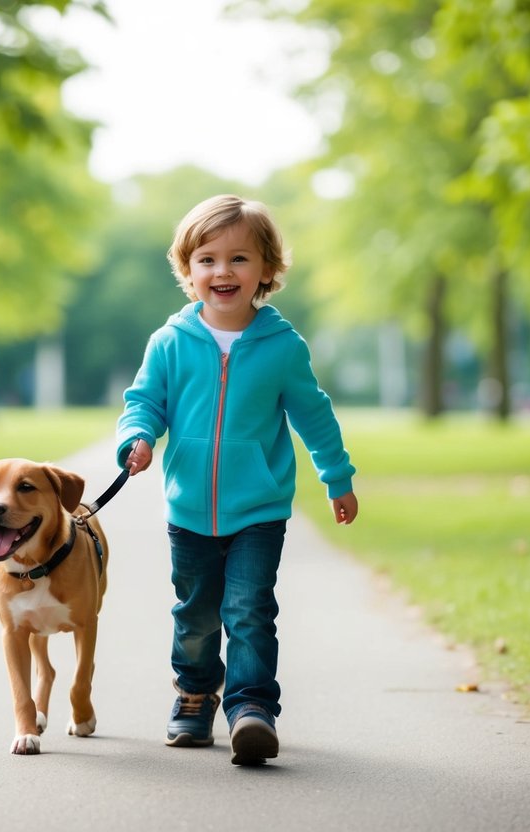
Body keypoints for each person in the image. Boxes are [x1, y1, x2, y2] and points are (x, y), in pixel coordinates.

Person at [114, 194, 359, 766]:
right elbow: (143, 401)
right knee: (196, 613)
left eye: (239, 259)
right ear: (188, 270)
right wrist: (139, 438)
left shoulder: (282, 347)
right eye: (207, 259)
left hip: (259, 508)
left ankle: (252, 710)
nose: (222, 271)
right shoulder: (170, 342)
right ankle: (195, 696)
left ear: (267, 270)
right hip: (189, 509)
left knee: (249, 609)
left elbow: (313, 414)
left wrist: (337, 476)